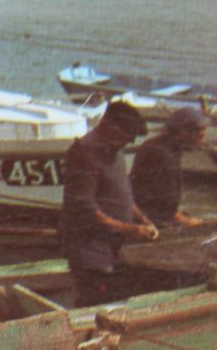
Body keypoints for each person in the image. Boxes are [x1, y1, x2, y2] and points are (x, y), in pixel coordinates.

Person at [59, 99, 158, 307]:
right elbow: (84, 209)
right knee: (95, 303)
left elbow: (122, 195)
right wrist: (128, 229)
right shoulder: (84, 153)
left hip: (115, 246)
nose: (129, 143)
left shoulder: (115, 152)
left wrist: (142, 219)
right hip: (90, 251)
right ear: (108, 126)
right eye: (127, 136)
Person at [131, 106, 210, 230]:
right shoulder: (164, 154)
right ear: (182, 132)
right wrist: (180, 218)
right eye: (199, 136)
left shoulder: (161, 144)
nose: (202, 141)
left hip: (145, 209)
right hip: (148, 216)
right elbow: (165, 198)